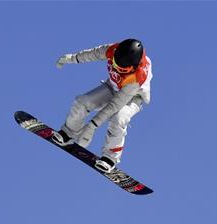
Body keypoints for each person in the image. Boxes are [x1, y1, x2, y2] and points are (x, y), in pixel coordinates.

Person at [52, 38, 152, 173]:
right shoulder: (113, 50)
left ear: (132, 67)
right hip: (112, 87)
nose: (116, 68)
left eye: (121, 68)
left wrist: (91, 126)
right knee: (82, 102)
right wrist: (72, 58)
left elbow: (114, 106)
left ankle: (110, 158)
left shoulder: (136, 78)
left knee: (118, 118)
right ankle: (68, 133)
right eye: (115, 64)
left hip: (132, 98)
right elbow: (93, 54)